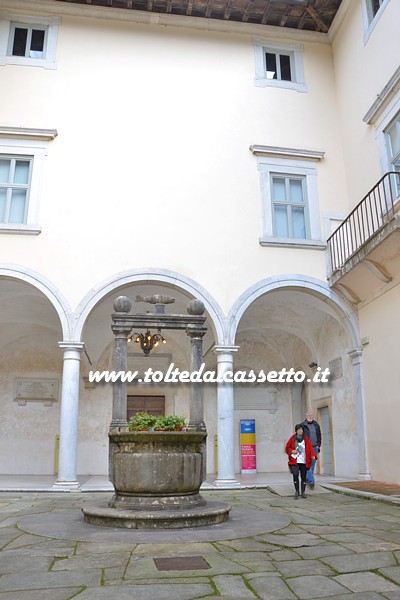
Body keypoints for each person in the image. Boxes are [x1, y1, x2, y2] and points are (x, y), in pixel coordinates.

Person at [285, 424, 317, 499]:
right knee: (295, 475)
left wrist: (313, 455)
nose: (300, 431)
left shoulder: (306, 439)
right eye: (299, 430)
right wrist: (292, 451)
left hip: (303, 461)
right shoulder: (292, 439)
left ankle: (303, 492)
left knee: (303, 477)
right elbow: (287, 448)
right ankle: (297, 491)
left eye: (301, 430)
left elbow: (310, 448)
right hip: (295, 461)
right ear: (296, 431)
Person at [301, 411, 321, 489]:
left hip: (315, 447)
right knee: (308, 465)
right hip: (307, 448)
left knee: (312, 465)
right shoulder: (303, 425)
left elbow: (319, 435)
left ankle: (307, 479)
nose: (310, 416)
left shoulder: (316, 425)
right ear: (306, 416)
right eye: (309, 415)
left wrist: (319, 445)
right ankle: (312, 481)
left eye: (311, 415)